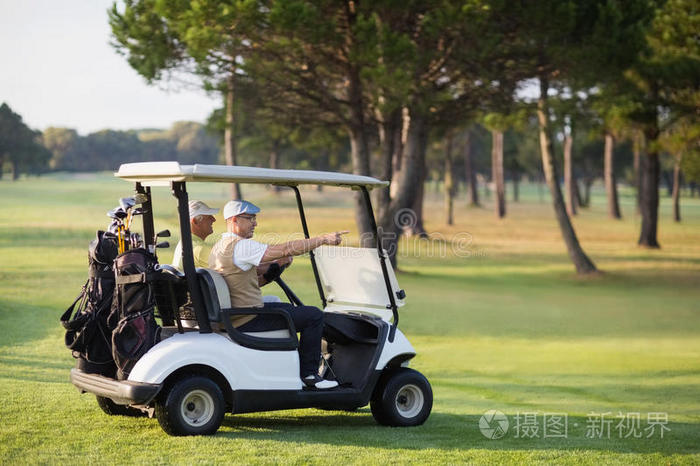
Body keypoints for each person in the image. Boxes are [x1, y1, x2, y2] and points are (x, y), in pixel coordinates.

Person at [209, 199, 347, 390]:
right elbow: (284, 249)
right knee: (313, 315)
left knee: (290, 309)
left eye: (254, 218)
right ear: (234, 220)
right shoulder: (241, 246)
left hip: (238, 315)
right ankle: (309, 375)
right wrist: (322, 239)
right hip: (247, 319)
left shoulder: (220, 246)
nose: (255, 223)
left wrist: (276, 268)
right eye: (250, 218)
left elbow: (246, 283)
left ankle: (296, 367)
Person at [172, 200, 219, 270]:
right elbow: (229, 269)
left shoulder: (184, 243)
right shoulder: (199, 248)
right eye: (209, 217)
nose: (214, 219)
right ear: (195, 222)